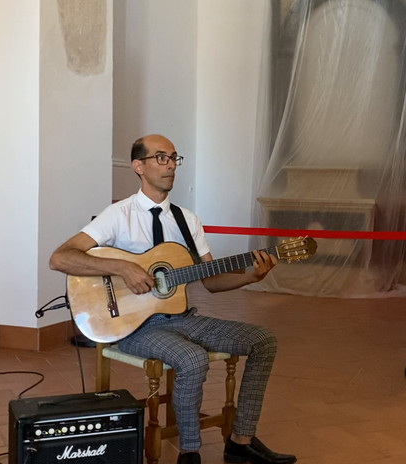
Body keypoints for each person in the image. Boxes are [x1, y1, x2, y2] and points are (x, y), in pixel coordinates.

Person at [50, 134, 296, 464]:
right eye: (161, 158)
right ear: (139, 166)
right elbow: (61, 258)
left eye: (174, 159)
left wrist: (250, 275)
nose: (170, 166)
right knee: (192, 359)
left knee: (263, 340)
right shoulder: (118, 214)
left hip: (181, 318)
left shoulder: (187, 220)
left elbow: (210, 280)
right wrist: (122, 267)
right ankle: (189, 453)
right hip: (134, 328)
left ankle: (241, 441)